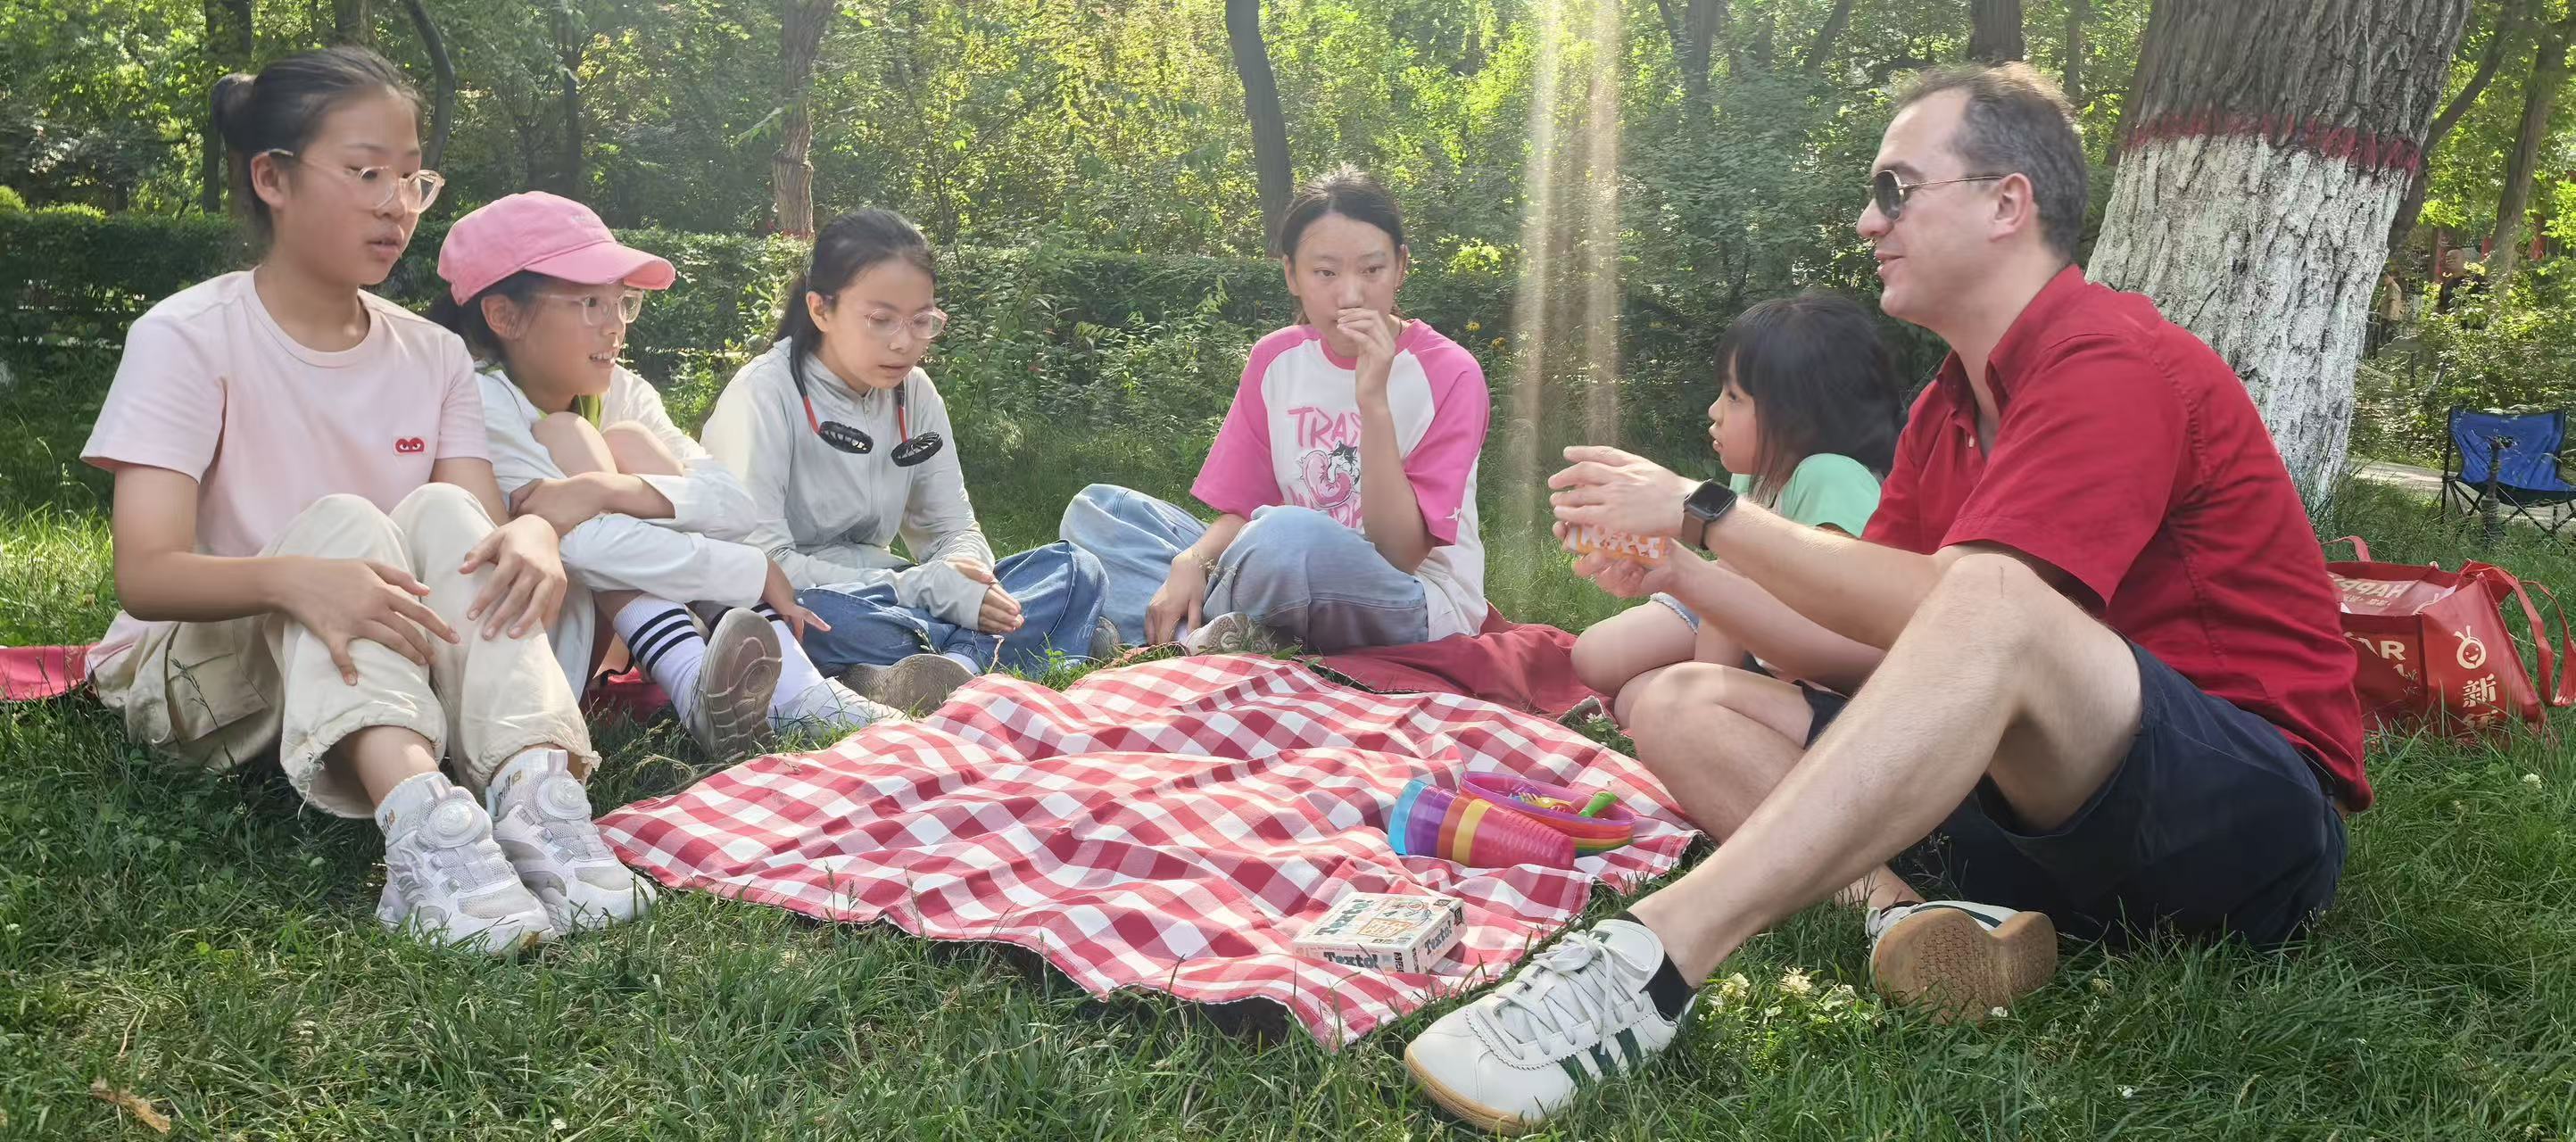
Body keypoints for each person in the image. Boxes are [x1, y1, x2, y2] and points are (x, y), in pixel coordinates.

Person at [1404, 63, 2364, 1133]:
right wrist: (1681, 570)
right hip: (2041, 827)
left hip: (2239, 824)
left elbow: (1982, 610)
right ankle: (1908, 920)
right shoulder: (1944, 411)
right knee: (1673, 699)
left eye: (1895, 189)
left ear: (2007, 203)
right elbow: (1855, 640)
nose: (1868, 222)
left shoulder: (2113, 360)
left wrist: (1704, 507)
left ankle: (1650, 959)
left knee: (1991, 590)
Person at [81, 47, 657, 956]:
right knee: (345, 523)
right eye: (366, 174)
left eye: (413, 178)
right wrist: (299, 580)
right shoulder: (187, 336)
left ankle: (538, 796)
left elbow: (467, 538)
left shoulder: (433, 353)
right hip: (197, 670)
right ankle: (425, 828)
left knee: (445, 517)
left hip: (383, 657)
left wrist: (532, 535)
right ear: (273, 178)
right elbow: (147, 575)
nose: (398, 205)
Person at [429, 191, 897, 758]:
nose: (616, 327)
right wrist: (751, 568)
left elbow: (732, 505)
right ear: (504, 316)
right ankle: (705, 684)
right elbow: (586, 549)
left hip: (608, 628)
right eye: (590, 304)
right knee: (573, 443)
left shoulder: (623, 393)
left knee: (627, 445)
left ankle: (794, 693)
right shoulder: (479, 401)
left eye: (622, 303)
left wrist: (604, 488)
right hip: (532, 658)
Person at [1059, 166, 1492, 655]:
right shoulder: (1276, 360)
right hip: (1272, 564)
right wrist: (1193, 561)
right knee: (1099, 510)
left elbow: (1400, 554)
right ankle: (1213, 636)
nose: (1351, 294)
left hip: (1410, 599)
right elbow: (1245, 511)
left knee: (1286, 535)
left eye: (1372, 270)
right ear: (1291, 274)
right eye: (1325, 273)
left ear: (1401, 267)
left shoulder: (1450, 374)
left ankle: (1165, 633)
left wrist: (1373, 401)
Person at [700, 208, 1111, 713]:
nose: (903, 342)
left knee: (1077, 567)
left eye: (921, 321)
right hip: (804, 601)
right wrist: (927, 589)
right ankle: (1022, 645)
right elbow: (763, 567)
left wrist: (969, 582)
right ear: (820, 310)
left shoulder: (914, 392)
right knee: (816, 621)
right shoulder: (763, 395)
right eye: (880, 320)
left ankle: (940, 669)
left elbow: (950, 527)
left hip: (895, 595)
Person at [1568, 291, 1902, 724]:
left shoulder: (1832, 477)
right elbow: (1726, 584)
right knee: (1596, 657)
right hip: (1745, 626)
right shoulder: (1752, 475)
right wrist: (1704, 679)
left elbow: (1843, 620)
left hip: (1806, 652)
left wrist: (1704, 695)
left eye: (1734, 397)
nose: (1714, 411)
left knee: (1640, 698)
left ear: (1797, 414)